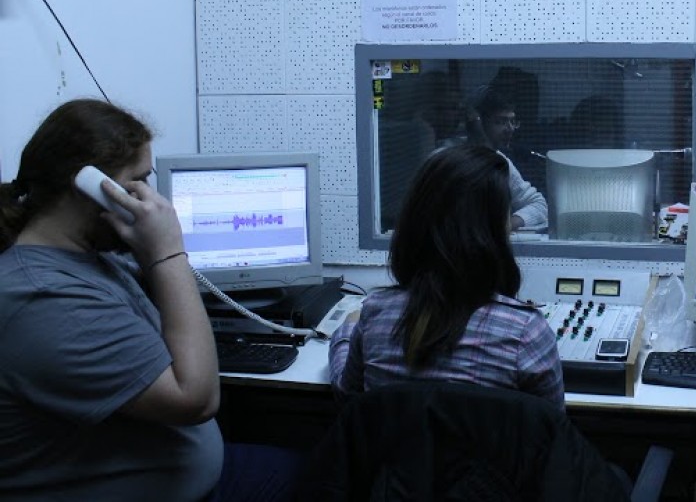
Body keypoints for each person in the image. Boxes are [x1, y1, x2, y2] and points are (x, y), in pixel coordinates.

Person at [0, 98, 299, 501]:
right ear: (90, 190)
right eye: (136, 183)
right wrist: (169, 252)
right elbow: (194, 400)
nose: (151, 200)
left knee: (322, 463)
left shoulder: (89, 259)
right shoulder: (45, 297)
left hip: (190, 473)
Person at [328, 144, 564, 409]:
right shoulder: (527, 332)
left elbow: (347, 392)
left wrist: (348, 329)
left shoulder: (375, 315)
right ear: (494, 234)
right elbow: (552, 433)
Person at [466, 85, 548, 231]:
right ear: (479, 122)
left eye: (512, 121)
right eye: (501, 122)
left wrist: (507, 225)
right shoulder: (448, 158)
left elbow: (539, 204)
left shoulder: (500, 162)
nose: (510, 129)